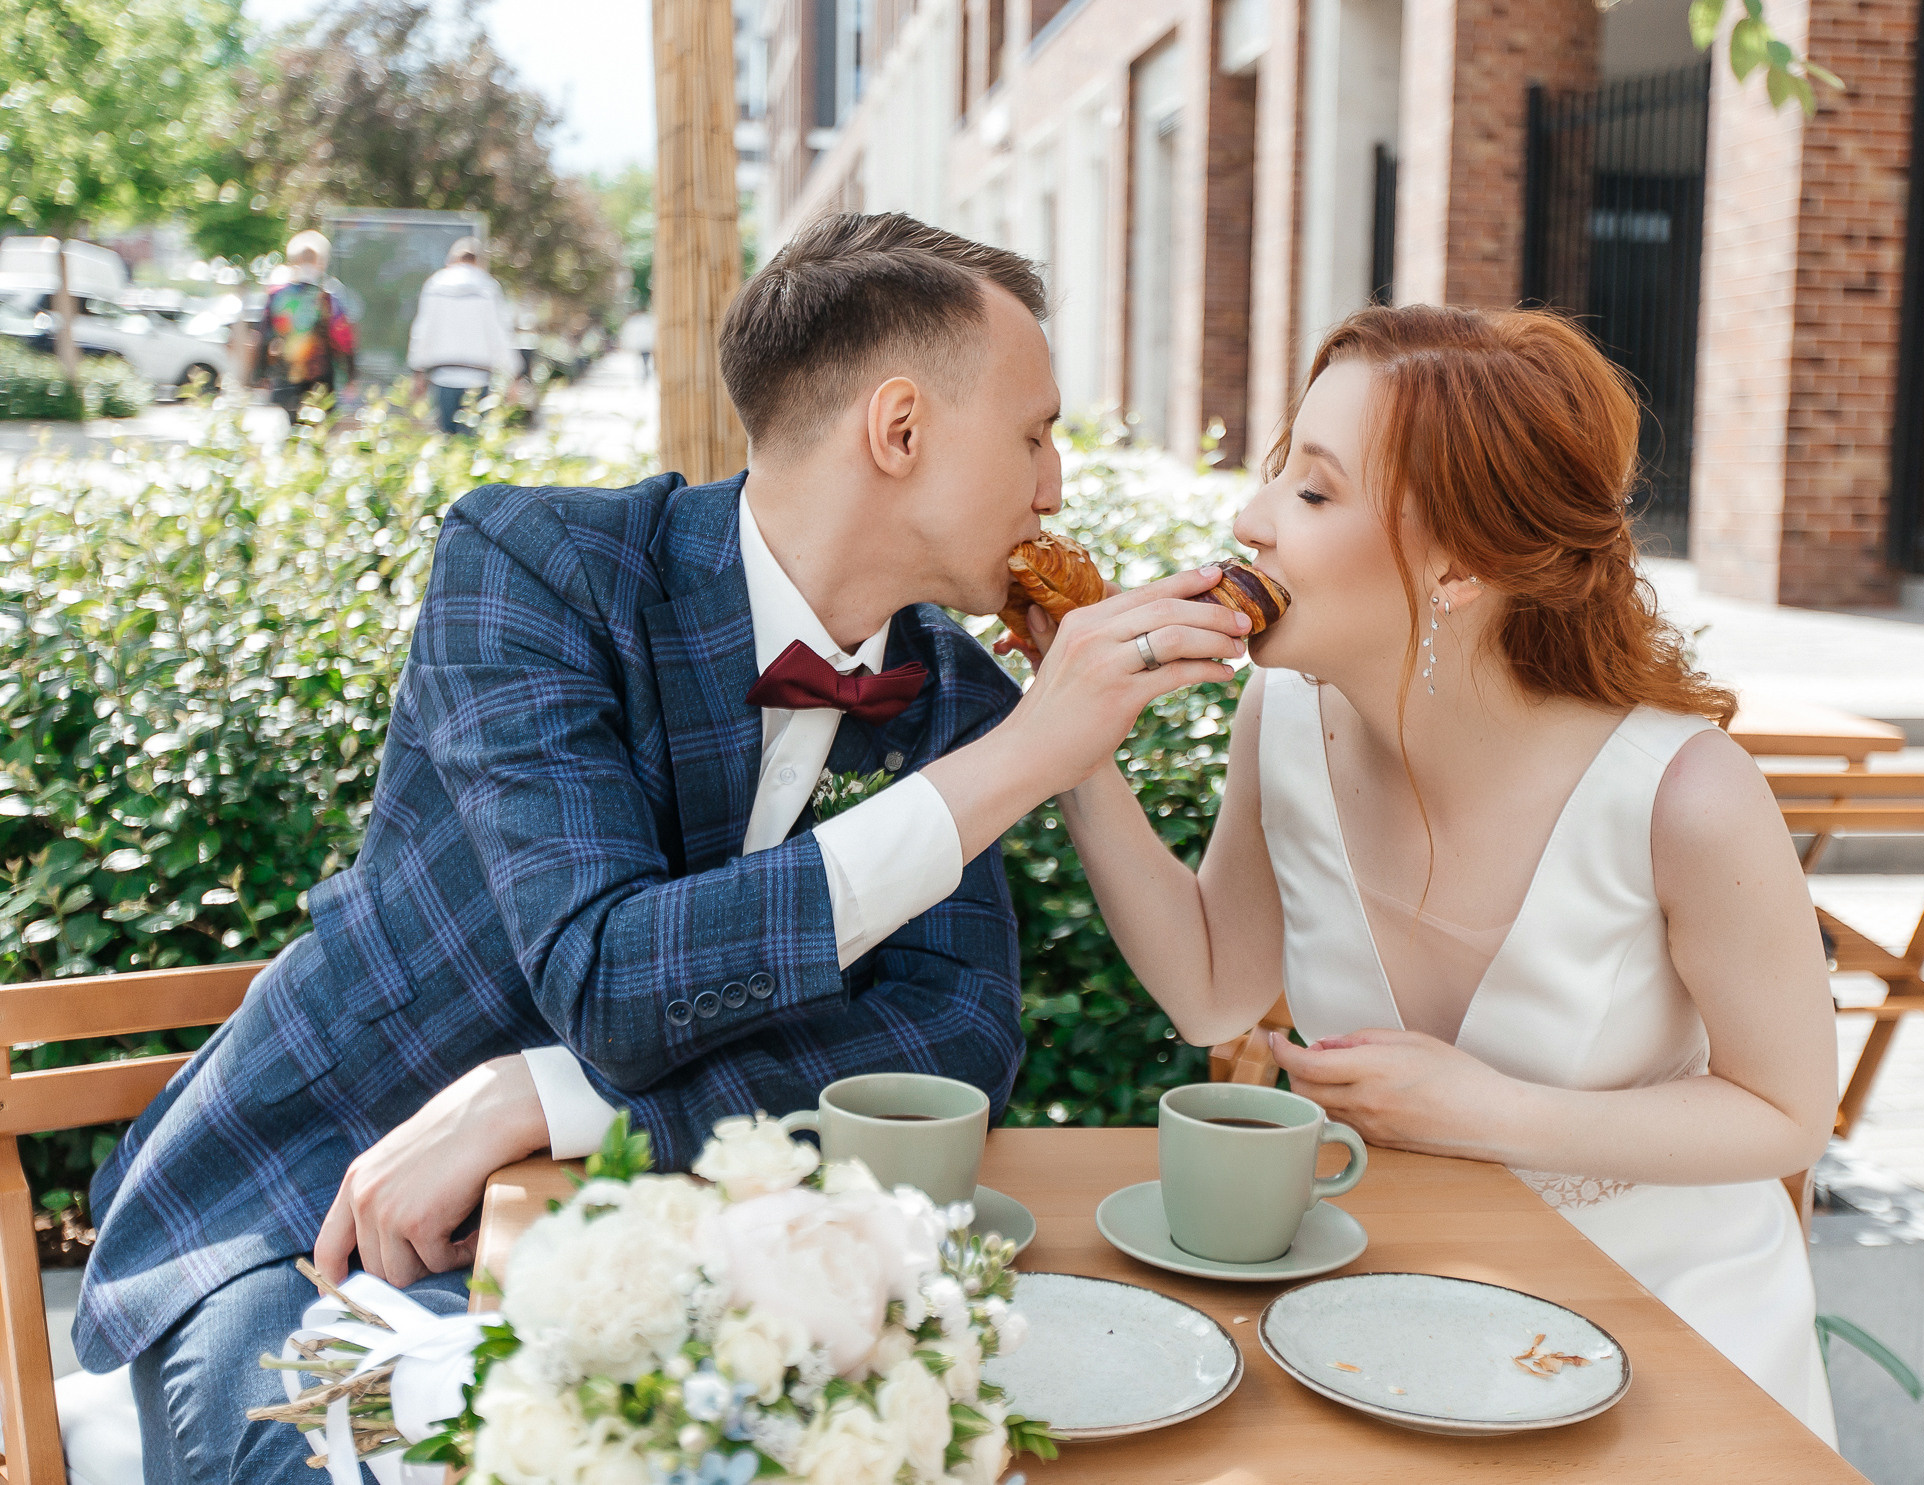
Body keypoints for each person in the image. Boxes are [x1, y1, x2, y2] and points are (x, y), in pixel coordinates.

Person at [74, 213, 1255, 1484]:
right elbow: (607, 975)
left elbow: (946, 1045)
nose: (1055, 486)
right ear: (899, 429)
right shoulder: (536, 564)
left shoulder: (957, 696)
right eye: (1034, 433)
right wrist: (1031, 757)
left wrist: (553, 1100)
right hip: (314, 1210)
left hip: (674, 1257)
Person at [1041, 305, 1841, 1444]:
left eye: (1313, 493)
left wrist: (1499, 1115)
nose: (1249, 519)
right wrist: (1071, 742)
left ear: (1459, 563)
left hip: (1673, 1338)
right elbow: (1212, 988)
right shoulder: (1281, 717)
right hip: (1392, 1331)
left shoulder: (1687, 797)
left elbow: (1786, 1115)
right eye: (1278, 473)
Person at [406, 237, 514, 434]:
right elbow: (500, 334)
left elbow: (422, 329)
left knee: (446, 440)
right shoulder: (488, 286)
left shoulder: (436, 284)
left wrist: (418, 371)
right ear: (478, 262)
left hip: (443, 376)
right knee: (473, 442)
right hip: (479, 377)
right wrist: (512, 374)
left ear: (452, 259)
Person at [255, 231, 356, 427]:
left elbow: (265, 335)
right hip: (322, 376)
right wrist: (351, 374)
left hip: (286, 374)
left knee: (293, 431)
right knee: (320, 432)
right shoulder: (329, 296)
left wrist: (261, 374)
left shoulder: (277, 295)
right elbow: (343, 339)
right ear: (322, 261)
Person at [621, 305, 656, 381]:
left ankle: (644, 372)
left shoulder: (635, 321)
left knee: (642, 359)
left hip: (641, 344)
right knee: (644, 359)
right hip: (646, 344)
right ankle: (645, 371)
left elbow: (629, 334)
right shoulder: (647, 320)